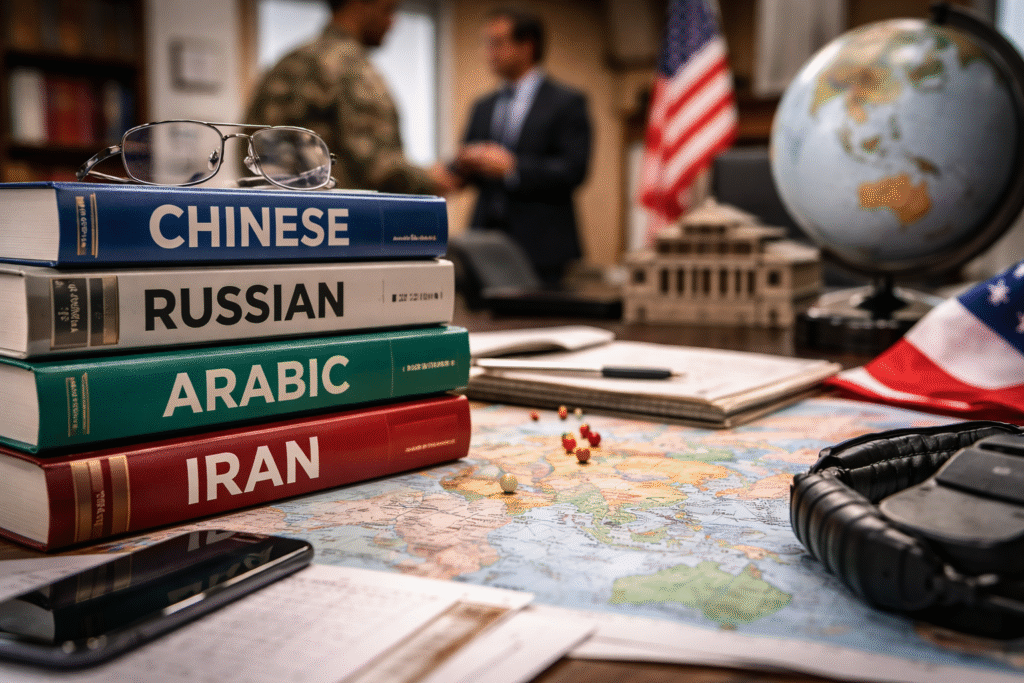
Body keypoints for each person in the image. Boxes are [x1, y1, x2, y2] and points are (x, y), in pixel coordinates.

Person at [244, 0, 459, 195]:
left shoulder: (289, 63)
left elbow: (249, 150)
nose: (393, 23)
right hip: (344, 223)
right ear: (359, 5)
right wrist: (433, 180)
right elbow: (379, 166)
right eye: (388, 10)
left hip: (283, 220)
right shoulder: (351, 69)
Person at [453, 6, 592, 287]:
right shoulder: (483, 106)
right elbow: (464, 167)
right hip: (483, 244)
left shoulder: (567, 103)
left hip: (542, 248)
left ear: (528, 46)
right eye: (487, 43)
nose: (489, 52)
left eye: (498, 43)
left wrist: (514, 168)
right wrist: (463, 162)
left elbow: (573, 170)